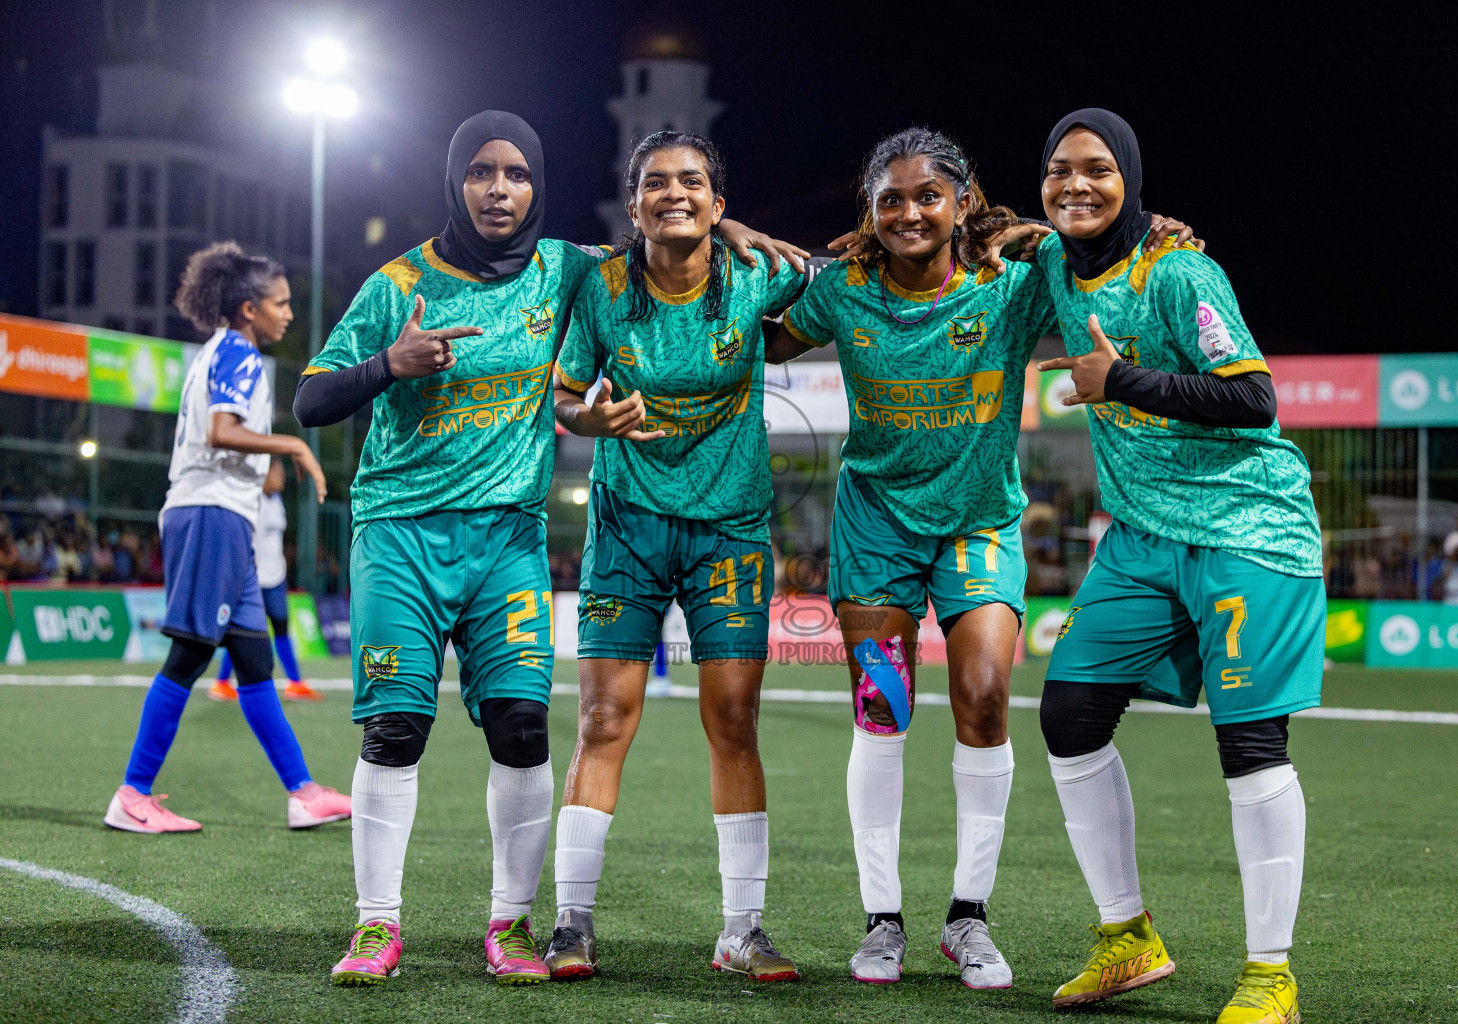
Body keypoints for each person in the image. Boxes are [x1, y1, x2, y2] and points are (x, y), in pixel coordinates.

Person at [293, 111, 800, 988]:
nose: (500, 189)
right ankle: (377, 928)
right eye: (482, 172)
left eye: (517, 174)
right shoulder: (398, 281)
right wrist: (389, 364)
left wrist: (734, 228)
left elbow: (664, 239)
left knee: (524, 730)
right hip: (401, 535)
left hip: (510, 539)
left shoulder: (570, 268)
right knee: (393, 730)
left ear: (537, 187)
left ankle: (512, 926)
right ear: (456, 182)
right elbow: (310, 401)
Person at [769, 126, 1195, 990]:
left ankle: (968, 918)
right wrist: (715, 267)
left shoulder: (1013, 281)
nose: (909, 212)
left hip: (978, 525)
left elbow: (1095, 266)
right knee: (883, 713)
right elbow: (769, 338)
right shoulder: (845, 288)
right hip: (879, 528)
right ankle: (882, 920)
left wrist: (1149, 232)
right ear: (870, 211)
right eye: (889, 199)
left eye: (928, 195)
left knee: (986, 697)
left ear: (963, 201)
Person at [1030, 109, 1321, 1024]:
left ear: (1134, 183)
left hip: (1249, 529)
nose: (1076, 185)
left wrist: (1119, 381)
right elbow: (991, 227)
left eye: (1098, 170)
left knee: (1249, 744)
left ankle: (1270, 976)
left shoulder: (1181, 269)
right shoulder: (1047, 261)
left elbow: (1253, 397)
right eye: (1060, 170)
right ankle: (1127, 937)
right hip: (1143, 536)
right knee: (1069, 713)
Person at [545, 131, 808, 983]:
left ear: (719, 204)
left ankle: (742, 931)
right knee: (601, 722)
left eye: (692, 182)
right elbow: (560, 396)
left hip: (730, 528)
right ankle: (570, 924)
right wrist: (588, 421)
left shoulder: (761, 273)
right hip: (626, 524)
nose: (674, 193)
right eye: (655, 183)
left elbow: (856, 267)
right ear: (632, 207)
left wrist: (744, 234)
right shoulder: (600, 286)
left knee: (733, 723)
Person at [103, 241, 350, 835]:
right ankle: (132, 795)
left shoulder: (227, 350)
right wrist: (291, 445)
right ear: (247, 309)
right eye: (280, 303)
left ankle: (302, 793)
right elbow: (220, 431)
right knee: (190, 652)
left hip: (227, 518)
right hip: (210, 512)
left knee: (254, 662)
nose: (288, 314)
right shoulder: (237, 352)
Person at [209, 460, 320, 702]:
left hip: (276, 578)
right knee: (242, 630)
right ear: (265, 474)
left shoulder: (276, 501)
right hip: (254, 579)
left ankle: (295, 683)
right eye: (277, 472)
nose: (281, 478)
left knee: (281, 628)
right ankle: (220, 682)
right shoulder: (252, 500)